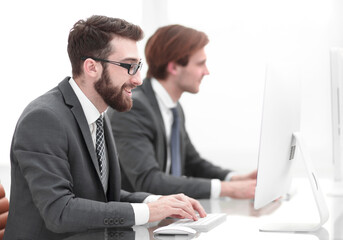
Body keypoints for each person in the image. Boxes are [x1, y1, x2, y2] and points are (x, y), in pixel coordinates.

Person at [4, 16, 206, 240]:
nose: (138, 79)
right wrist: (149, 212)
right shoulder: (44, 119)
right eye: (129, 66)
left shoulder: (98, 114)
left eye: (138, 66)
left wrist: (155, 201)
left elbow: (100, 196)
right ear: (92, 67)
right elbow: (59, 211)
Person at [108, 24, 257, 199]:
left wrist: (235, 179)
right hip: (135, 220)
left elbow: (193, 163)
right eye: (200, 64)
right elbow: (149, 181)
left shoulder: (173, 108)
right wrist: (228, 190)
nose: (206, 72)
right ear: (174, 67)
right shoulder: (132, 108)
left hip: (166, 216)